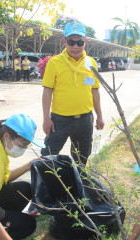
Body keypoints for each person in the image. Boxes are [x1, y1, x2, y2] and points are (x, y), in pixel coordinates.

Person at [41, 22, 105, 165]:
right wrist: (46, 118)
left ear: (85, 42)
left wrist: (100, 116)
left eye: (79, 42)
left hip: (85, 120)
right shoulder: (54, 63)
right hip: (59, 120)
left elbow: (95, 91)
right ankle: (48, 185)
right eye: (71, 42)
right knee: (48, 156)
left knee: (82, 159)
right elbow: (47, 91)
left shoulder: (91, 63)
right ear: (65, 41)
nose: (75, 46)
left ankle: (78, 184)